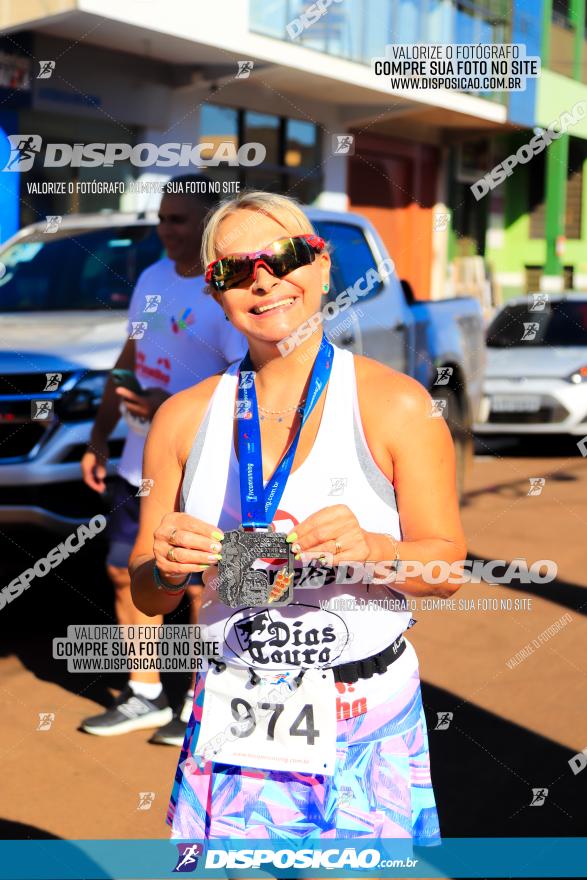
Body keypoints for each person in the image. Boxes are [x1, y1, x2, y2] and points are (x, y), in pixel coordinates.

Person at [130, 191, 467, 843]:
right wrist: (167, 570)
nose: (263, 281)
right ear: (214, 292)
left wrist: (370, 549)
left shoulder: (397, 405)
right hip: (233, 704)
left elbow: (446, 566)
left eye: (282, 257)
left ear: (320, 265)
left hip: (362, 707)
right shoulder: (180, 419)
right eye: (233, 270)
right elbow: (148, 592)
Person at [80, 175, 246, 743]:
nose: (165, 230)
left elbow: (243, 383)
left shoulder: (223, 290)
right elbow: (130, 356)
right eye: (161, 218)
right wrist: (100, 436)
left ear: (209, 221)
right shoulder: (151, 277)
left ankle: (202, 700)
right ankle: (145, 693)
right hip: (137, 463)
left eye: (178, 219)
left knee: (201, 583)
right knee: (126, 572)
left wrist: (168, 407)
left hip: (201, 467)